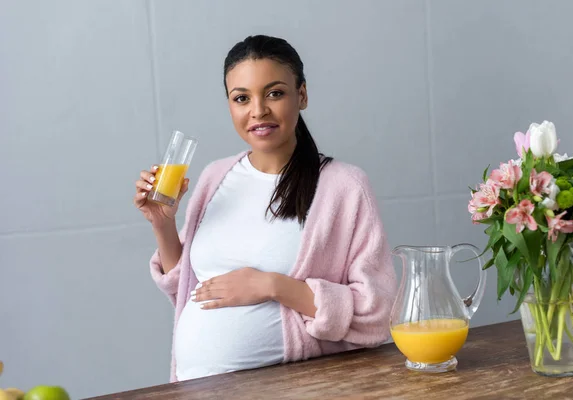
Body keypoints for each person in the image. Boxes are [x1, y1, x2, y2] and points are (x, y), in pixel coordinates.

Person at [134, 34, 397, 382]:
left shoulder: (344, 186)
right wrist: (162, 224)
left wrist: (273, 286)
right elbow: (186, 288)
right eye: (241, 98)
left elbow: (377, 312)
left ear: (301, 94)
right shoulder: (215, 176)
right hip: (190, 385)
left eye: (275, 93)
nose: (258, 110)